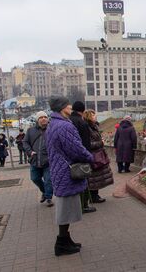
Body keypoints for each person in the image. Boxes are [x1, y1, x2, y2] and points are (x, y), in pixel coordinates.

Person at [46, 96, 94, 256]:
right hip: (67, 171)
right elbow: (76, 149)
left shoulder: (54, 123)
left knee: (65, 207)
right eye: (67, 104)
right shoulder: (64, 126)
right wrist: (90, 157)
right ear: (61, 108)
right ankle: (61, 243)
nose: (70, 106)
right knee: (65, 209)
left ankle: (66, 240)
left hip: (59, 170)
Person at [68, 101, 95, 214]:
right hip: (81, 156)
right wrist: (88, 157)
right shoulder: (81, 122)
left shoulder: (68, 121)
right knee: (83, 181)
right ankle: (83, 205)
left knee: (73, 181)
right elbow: (85, 142)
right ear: (82, 110)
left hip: (70, 157)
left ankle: (74, 205)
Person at [82, 109, 114, 203]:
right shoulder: (87, 128)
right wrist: (100, 143)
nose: (95, 116)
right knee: (93, 177)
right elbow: (88, 144)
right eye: (93, 115)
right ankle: (93, 196)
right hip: (94, 156)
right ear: (88, 117)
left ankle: (95, 195)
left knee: (97, 177)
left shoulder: (94, 126)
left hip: (98, 155)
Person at [23, 111, 54, 207]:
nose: (44, 119)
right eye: (41, 117)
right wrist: (30, 152)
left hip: (48, 160)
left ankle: (49, 198)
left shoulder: (52, 130)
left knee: (48, 180)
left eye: (45, 117)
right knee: (35, 178)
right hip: (35, 160)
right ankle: (45, 192)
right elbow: (25, 142)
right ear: (37, 120)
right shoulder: (31, 131)